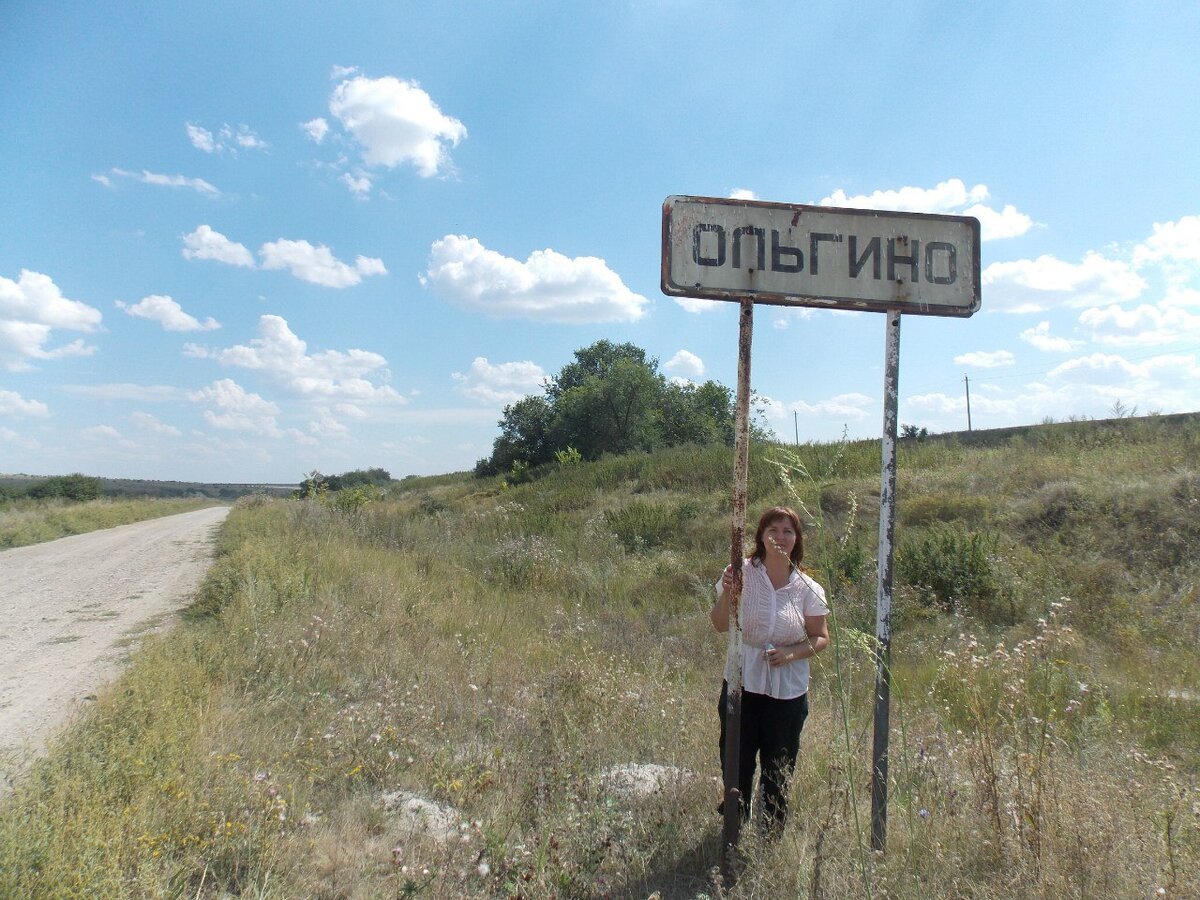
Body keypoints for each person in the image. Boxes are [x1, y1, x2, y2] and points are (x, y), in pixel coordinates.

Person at [710, 505, 829, 832]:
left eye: (788, 531)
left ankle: (771, 835)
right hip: (742, 683)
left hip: (787, 693)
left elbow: (820, 638)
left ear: (797, 539)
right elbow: (720, 624)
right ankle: (733, 829)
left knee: (779, 766)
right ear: (760, 536)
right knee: (736, 760)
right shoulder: (740, 573)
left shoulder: (808, 588)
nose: (780, 537)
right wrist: (728, 594)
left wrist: (791, 653)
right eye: (772, 530)